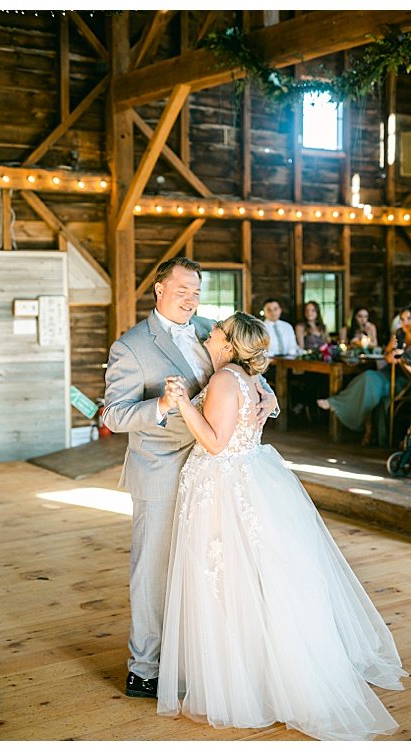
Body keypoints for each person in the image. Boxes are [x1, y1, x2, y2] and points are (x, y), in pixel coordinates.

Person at [157, 311, 405, 741]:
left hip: (224, 485)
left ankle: (242, 682)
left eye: (218, 330)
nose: (210, 331)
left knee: (227, 582)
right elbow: (261, 406)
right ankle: (265, 669)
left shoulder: (222, 381)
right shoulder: (250, 380)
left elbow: (215, 443)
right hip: (251, 477)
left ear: (230, 342)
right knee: (255, 579)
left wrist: (180, 402)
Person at [100, 257, 277, 702]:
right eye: (182, 291)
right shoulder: (131, 346)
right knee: (153, 571)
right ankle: (144, 668)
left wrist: (267, 399)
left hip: (211, 472)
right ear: (158, 289)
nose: (191, 300)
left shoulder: (210, 331)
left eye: (197, 292)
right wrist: (160, 406)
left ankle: (194, 657)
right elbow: (113, 414)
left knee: (206, 566)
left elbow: (247, 371)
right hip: (159, 469)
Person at [319, 305, 411, 439]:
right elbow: (387, 355)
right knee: (368, 376)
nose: (406, 323)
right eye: (402, 319)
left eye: (409, 319)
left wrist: (402, 358)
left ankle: (336, 404)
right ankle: (339, 404)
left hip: (407, 379)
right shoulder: (399, 333)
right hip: (390, 371)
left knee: (372, 383)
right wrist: (391, 351)